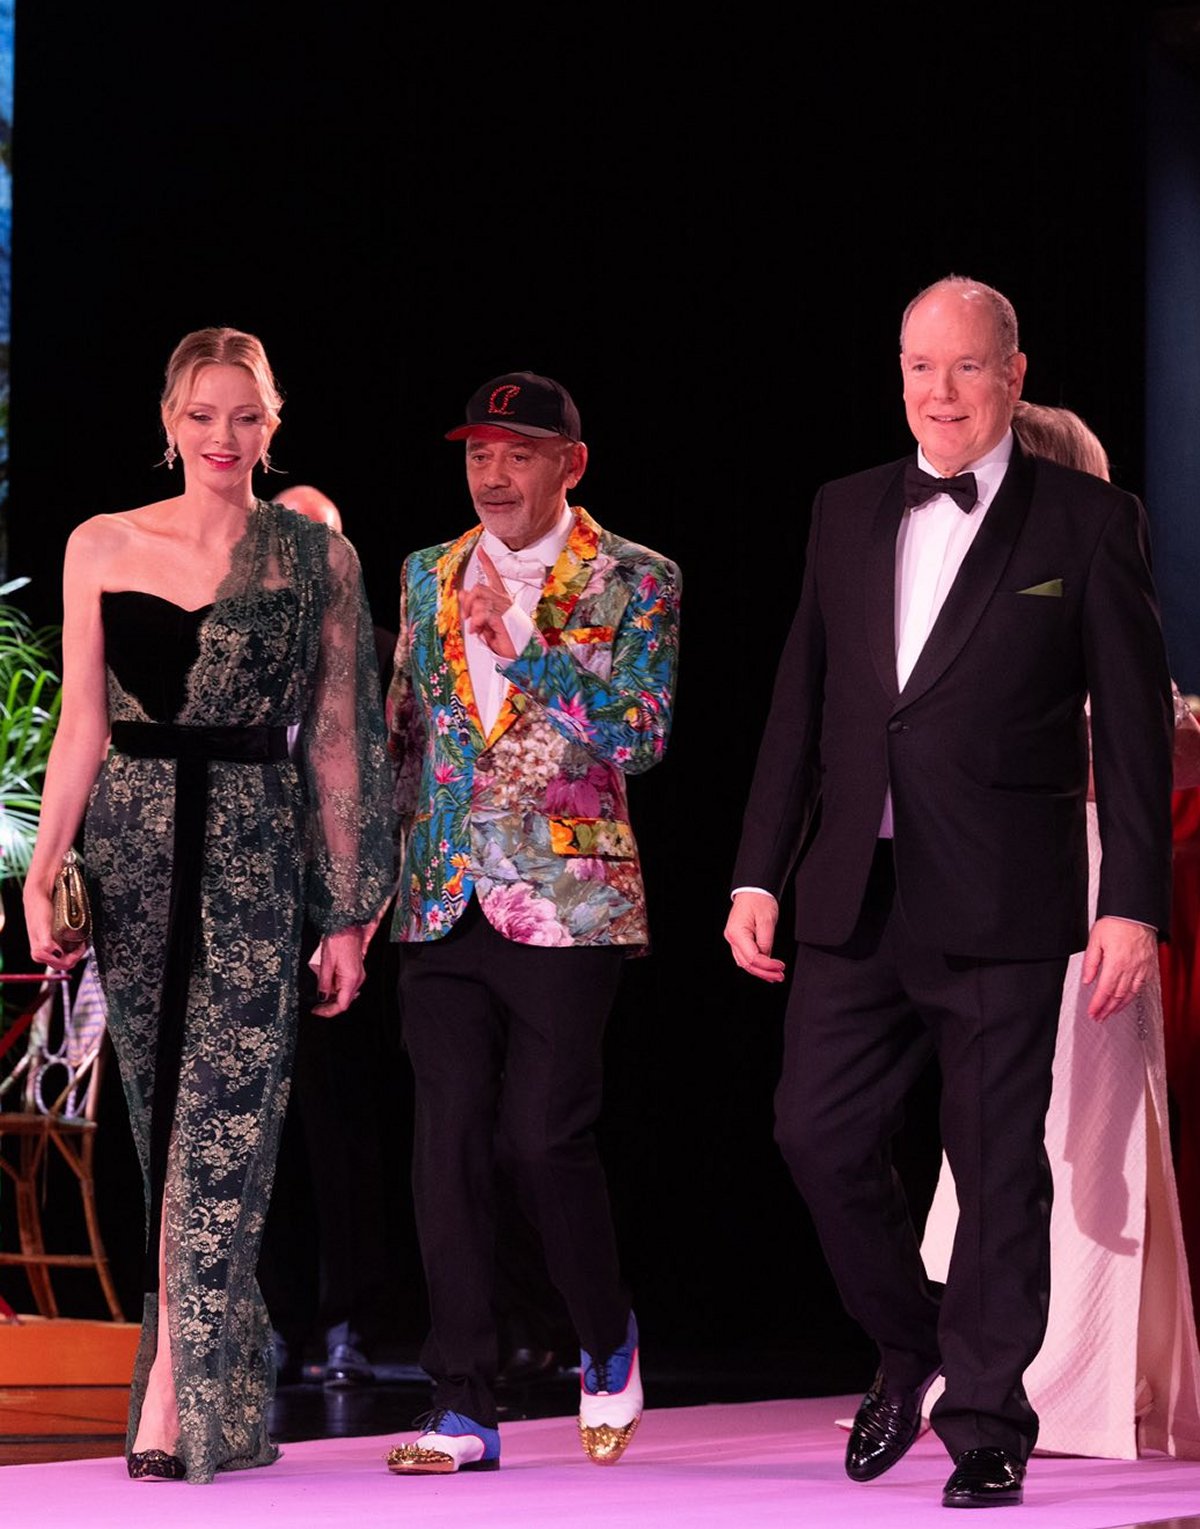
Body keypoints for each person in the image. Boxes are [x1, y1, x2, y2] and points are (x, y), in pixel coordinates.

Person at [725, 278, 1173, 1509]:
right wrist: (759, 868)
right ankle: (909, 1337)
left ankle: (987, 1422)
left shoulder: (1087, 521)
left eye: (966, 367)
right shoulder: (845, 508)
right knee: (812, 1133)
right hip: (854, 891)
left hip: (1005, 900)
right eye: (921, 366)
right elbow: (798, 705)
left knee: (995, 1169)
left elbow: (1134, 732)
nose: (940, 391)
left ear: (1015, 377)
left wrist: (1132, 898)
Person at [23, 329, 395, 1482]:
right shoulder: (101, 542)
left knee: (225, 1126)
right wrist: (45, 868)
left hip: (253, 852)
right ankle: (216, 1373)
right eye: (201, 415)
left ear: (270, 426)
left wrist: (345, 913)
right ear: (172, 421)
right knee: (161, 1120)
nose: (222, 438)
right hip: (132, 853)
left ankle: (176, 1395)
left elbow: (341, 742)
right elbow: (82, 717)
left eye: (244, 417)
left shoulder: (312, 555)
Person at [383, 370, 680, 1475]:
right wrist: (369, 890)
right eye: (478, 453)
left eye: (517, 453)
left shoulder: (637, 577)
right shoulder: (424, 573)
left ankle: (606, 1339)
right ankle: (463, 1402)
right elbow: (402, 733)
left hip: (570, 896)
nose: (493, 474)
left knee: (542, 1138)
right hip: (441, 889)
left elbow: (641, 737)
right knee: (446, 1142)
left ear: (571, 463)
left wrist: (527, 653)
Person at [918, 401, 1200, 1460]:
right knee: (998, 1123)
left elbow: (1147, 730)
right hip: (984, 877)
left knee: (1087, 1120)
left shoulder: (1078, 553)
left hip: (1083, 872)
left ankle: (1084, 1371)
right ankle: (987, 1364)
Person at [255, 482, 398, 1391]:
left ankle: (348, 1321)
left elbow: (395, 799)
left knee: (341, 1136)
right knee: (259, 1134)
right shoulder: (241, 651)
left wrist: (355, 915)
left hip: (346, 918)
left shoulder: (377, 658)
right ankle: (272, 1322)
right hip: (253, 909)